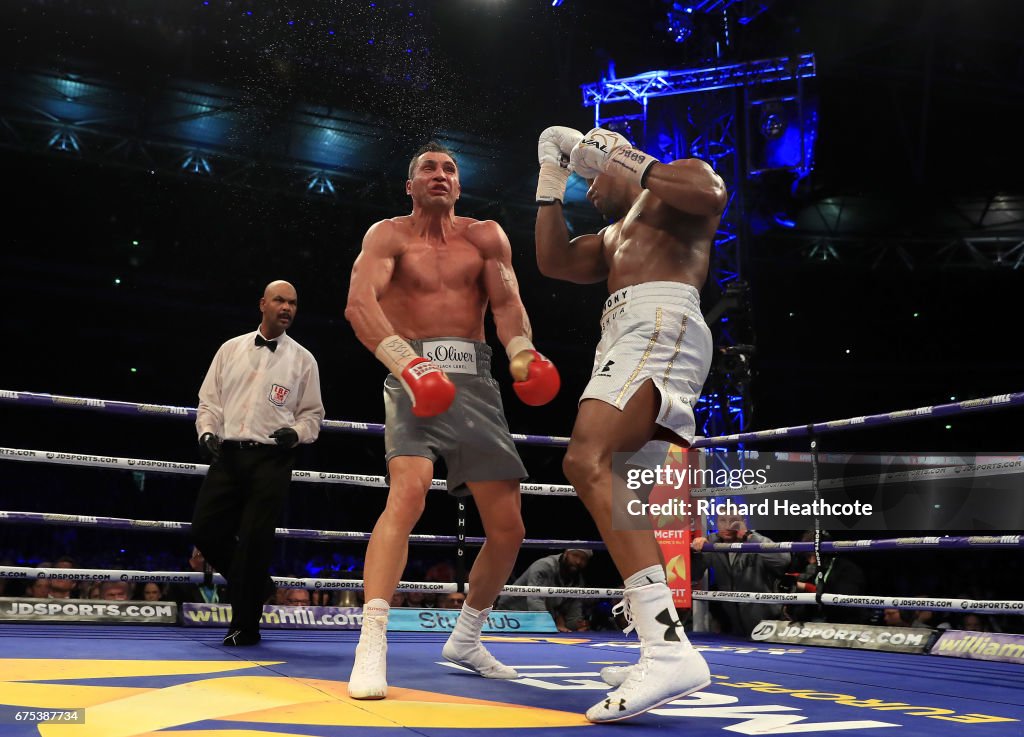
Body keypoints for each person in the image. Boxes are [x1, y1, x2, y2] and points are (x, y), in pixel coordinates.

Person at [344, 141, 560, 700]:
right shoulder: (386, 235)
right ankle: (373, 640)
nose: (440, 175)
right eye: (427, 168)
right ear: (410, 185)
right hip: (410, 374)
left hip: (476, 380)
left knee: (509, 527)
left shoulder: (485, 235)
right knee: (408, 495)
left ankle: (466, 637)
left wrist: (521, 355)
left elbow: (508, 305)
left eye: (449, 168)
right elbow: (359, 305)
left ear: (459, 186)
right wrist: (408, 364)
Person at [533, 125, 727, 722]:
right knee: (625, 497)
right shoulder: (611, 235)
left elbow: (713, 192)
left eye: (590, 176)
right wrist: (549, 180)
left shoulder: (669, 189)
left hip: (658, 320)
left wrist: (621, 158)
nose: (586, 188)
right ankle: (657, 640)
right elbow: (554, 262)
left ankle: (669, 651)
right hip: (626, 334)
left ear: (617, 160)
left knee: (583, 460)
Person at [192, 280, 325, 647]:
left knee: (254, 540)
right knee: (204, 529)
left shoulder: (303, 360)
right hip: (228, 453)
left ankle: (245, 627)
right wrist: (206, 433)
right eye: (280, 300)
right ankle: (257, 585)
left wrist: (296, 434)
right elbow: (210, 402)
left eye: (293, 303)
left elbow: (313, 416)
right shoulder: (230, 349)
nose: (287, 308)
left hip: (271, 458)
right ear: (263, 304)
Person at [690, 514, 791, 635]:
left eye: (733, 521)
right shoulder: (712, 542)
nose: (727, 526)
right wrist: (696, 553)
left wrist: (750, 537)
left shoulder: (753, 539)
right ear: (716, 523)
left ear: (743, 522)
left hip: (769, 623)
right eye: (722, 521)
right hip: (735, 627)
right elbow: (694, 575)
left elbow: (783, 560)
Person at [497, 549, 592, 632]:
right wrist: (550, 624)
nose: (578, 561)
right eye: (575, 555)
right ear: (566, 553)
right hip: (510, 614)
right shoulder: (544, 566)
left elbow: (574, 608)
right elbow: (535, 599)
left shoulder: (577, 580)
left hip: (541, 619)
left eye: (583, 559)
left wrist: (577, 625)